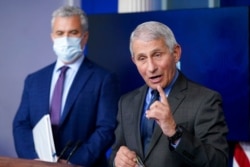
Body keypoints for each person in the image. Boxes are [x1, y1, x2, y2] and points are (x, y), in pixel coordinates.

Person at [109, 21, 229, 167]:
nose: (151, 67)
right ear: (134, 61)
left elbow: (218, 162)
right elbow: (116, 152)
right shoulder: (126, 102)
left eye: (157, 55)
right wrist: (117, 160)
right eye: (142, 58)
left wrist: (174, 132)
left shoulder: (206, 100)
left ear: (176, 53)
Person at [13, 6, 120, 167]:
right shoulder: (34, 80)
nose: (65, 39)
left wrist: (73, 162)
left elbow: (106, 128)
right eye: (60, 33)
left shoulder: (103, 79)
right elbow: (21, 124)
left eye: (73, 32)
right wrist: (34, 160)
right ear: (52, 37)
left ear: (85, 37)